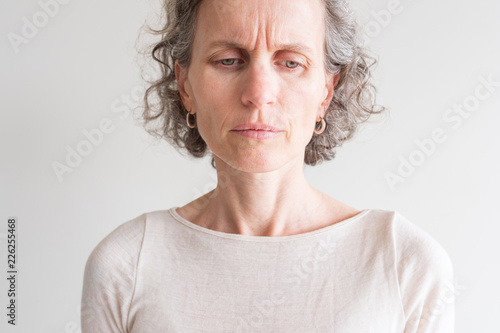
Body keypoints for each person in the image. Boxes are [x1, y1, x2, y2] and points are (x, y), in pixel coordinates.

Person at [81, 0, 455, 331]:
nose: (259, 93)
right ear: (185, 86)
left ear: (326, 91)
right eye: (228, 60)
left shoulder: (405, 262)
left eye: (291, 63)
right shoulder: (125, 265)